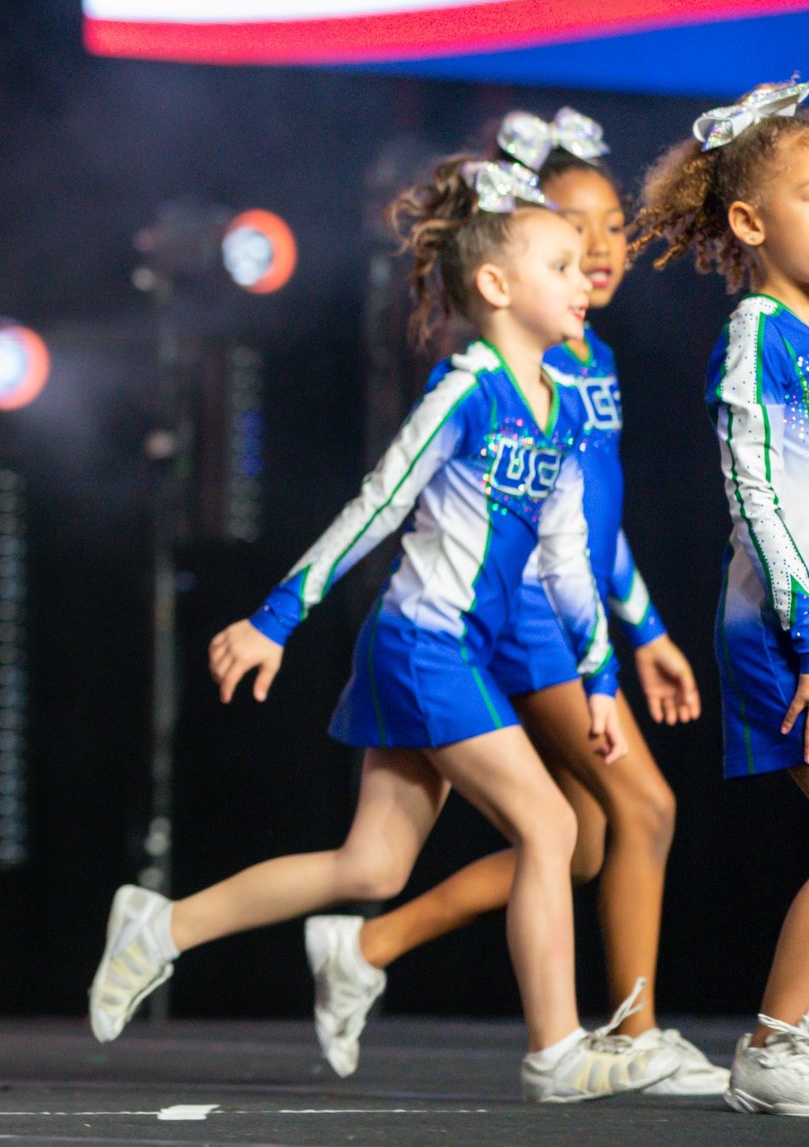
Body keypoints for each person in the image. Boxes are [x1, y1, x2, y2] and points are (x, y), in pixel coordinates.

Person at [88, 146, 674, 1103]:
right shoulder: (465, 387)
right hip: (423, 645)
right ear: (497, 286)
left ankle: (162, 926)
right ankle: (557, 1048)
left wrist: (602, 681)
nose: (585, 279)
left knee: (371, 864)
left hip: (459, 650)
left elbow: (571, 556)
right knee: (553, 824)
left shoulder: (564, 403)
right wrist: (275, 618)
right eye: (562, 264)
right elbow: (377, 505)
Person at [311, 109, 720, 1093]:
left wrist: (646, 626)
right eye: (571, 235)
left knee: (578, 842)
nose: (598, 251)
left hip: (565, 611)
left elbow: (591, 518)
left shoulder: (590, 358)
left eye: (612, 228)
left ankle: (366, 947)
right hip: (521, 618)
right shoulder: (519, 357)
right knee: (642, 804)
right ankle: (628, 1032)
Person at [629, 81, 809, 1114]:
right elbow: (759, 495)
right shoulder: (756, 333)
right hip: (782, 628)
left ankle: (782, 1038)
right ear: (749, 221)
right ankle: (776, 1043)